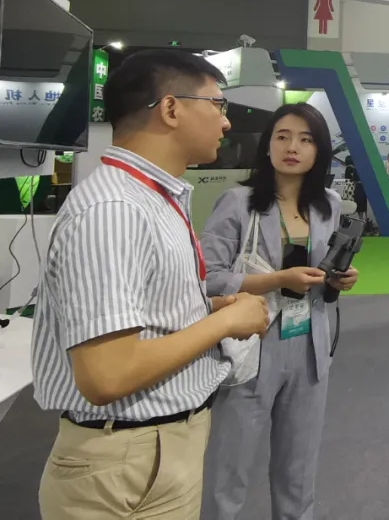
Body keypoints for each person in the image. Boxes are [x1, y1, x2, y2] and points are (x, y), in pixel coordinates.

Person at [31, 49, 271, 520]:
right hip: (125, 462)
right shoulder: (115, 210)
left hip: (155, 450)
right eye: (217, 105)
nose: (226, 122)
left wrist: (207, 309)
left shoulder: (152, 198)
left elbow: (142, 317)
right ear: (171, 108)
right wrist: (224, 325)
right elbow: (107, 375)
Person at [200, 103, 358, 520]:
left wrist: (339, 279)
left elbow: (320, 273)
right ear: (267, 145)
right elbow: (208, 279)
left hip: (309, 346)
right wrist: (276, 279)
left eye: (306, 140)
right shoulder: (238, 202)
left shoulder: (328, 204)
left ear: (319, 151)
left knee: (298, 470)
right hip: (252, 344)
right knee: (229, 469)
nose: (293, 147)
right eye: (283, 137)